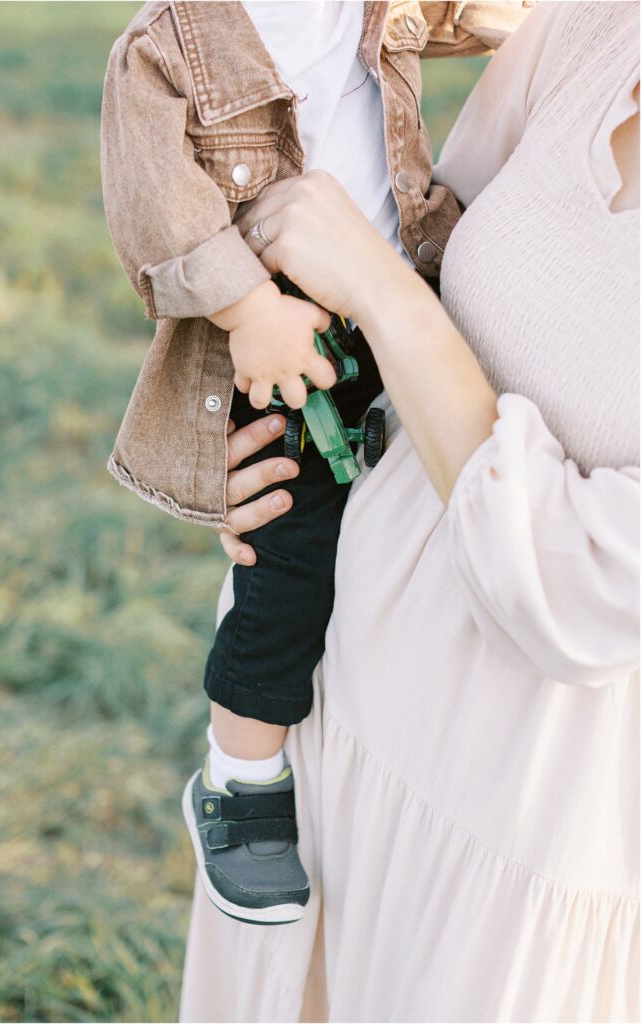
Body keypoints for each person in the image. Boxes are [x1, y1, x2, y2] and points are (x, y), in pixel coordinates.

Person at [180, 2, 640, 1020]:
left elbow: (585, 588)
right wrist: (275, 441)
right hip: (333, 682)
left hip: (516, 817)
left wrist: (383, 296)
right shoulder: (603, 27)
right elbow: (420, 238)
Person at [101, 0, 529, 924]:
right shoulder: (167, 47)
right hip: (279, 327)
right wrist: (248, 309)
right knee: (286, 559)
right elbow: (156, 213)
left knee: (418, 508)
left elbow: (469, 19)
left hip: (398, 291)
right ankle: (241, 779)